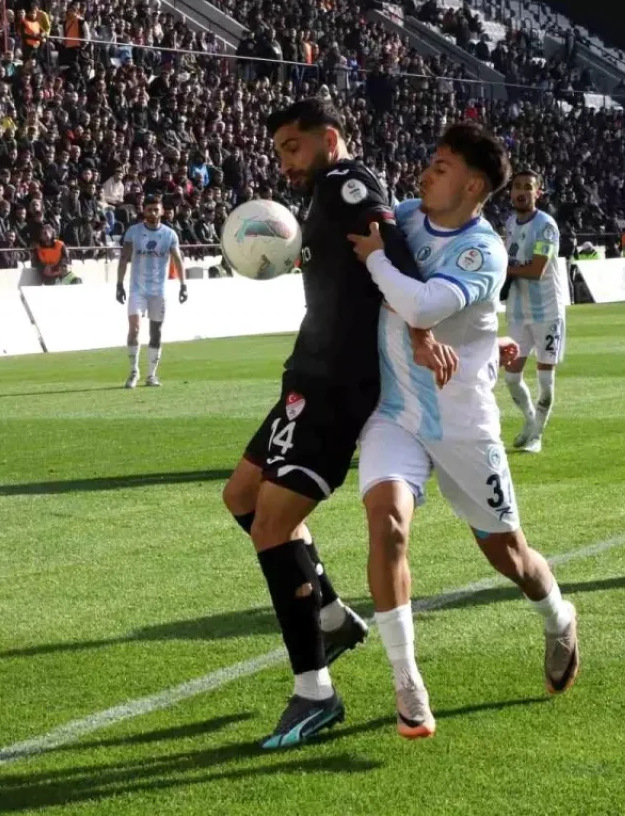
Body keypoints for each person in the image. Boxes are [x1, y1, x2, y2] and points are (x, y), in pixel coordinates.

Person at [220, 98, 457, 750]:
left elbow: (394, 249)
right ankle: (329, 614)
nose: (285, 162)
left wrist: (420, 332)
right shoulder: (323, 196)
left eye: (293, 147)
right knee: (241, 497)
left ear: (328, 139)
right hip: (307, 376)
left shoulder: (347, 184)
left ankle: (315, 694)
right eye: (279, 152)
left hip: (335, 387)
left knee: (272, 527)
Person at [349, 123, 579, 739]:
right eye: (431, 162)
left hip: (462, 422)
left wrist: (377, 262)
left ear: (473, 186)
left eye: (442, 167)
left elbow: (422, 303)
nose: (426, 173)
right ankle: (407, 681)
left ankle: (558, 617)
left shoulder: (484, 251)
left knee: (509, 555)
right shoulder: (404, 216)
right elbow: (397, 293)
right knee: (386, 522)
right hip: (395, 411)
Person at [502, 170, 566, 454]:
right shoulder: (509, 223)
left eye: (528, 187)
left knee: (545, 379)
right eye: (517, 187)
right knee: (511, 377)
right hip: (518, 311)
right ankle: (530, 421)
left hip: (547, 311)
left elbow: (537, 269)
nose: (521, 192)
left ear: (538, 193)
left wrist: (506, 271)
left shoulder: (546, 225)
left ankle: (537, 436)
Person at [116, 197, 187, 388]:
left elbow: (177, 260)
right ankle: (134, 372)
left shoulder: (169, 234)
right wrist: (119, 284)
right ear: (144, 211)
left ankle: (151, 375)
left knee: (156, 332)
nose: (153, 213)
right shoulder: (134, 232)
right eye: (149, 209)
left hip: (158, 291)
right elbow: (123, 258)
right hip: (137, 289)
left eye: (156, 209)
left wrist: (183, 285)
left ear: (162, 211)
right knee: (134, 329)